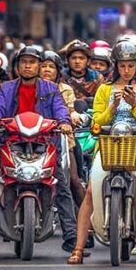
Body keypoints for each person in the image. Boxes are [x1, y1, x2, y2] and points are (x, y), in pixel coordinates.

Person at [68, 41, 136, 265]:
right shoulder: (105, 90)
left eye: (130, 66)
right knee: (90, 192)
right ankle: (78, 249)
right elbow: (95, 123)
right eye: (122, 66)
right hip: (108, 146)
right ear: (115, 66)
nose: (126, 70)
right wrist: (111, 109)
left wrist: (134, 105)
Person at [0, 46, 79, 252]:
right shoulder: (7, 88)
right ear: (17, 66)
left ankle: (71, 235)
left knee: (61, 183)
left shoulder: (50, 89)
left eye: (32, 62)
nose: (28, 66)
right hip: (11, 143)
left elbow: (61, 109)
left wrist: (64, 122)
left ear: (38, 65)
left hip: (44, 144)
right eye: (24, 62)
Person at [39, 50, 87, 212]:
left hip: (63, 140)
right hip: (34, 139)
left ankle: (88, 223)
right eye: (43, 66)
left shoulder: (65, 89)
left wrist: (73, 116)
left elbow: (71, 108)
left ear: (58, 71)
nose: (46, 70)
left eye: (51, 67)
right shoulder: (29, 88)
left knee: (73, 180)